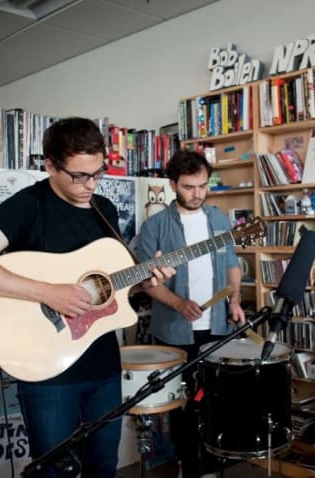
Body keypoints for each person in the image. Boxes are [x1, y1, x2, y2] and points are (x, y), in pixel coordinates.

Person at [0, 117, 176, 478]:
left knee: (104, 466)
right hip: (46, 369)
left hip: (102, 363)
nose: (90, 185)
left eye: (98, 173)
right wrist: (49, 293)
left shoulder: (105, 209)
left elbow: (109, 289)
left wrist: (148, 279)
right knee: (54, 470)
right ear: (50, 165)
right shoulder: (27, 206)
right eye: (78, 176)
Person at [134, 150, 246, 478]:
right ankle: (189, 467)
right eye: (188, 187)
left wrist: (235, 299)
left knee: (216, 401)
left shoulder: (219, 220)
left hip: (217, 326)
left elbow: (232, 265)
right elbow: (146, 281)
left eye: (202, 185)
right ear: (172, 185)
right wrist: (178, 304)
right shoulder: (154, 226)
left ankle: (212, 467)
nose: (197, 194)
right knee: (184, 406)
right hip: (174, 330)